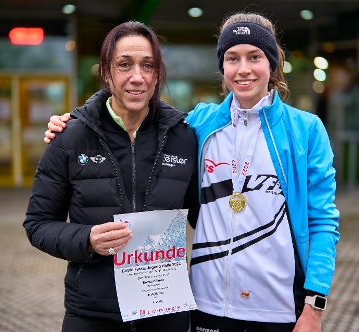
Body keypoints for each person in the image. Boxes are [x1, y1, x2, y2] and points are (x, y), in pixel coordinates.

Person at [45, 12, 340, 332]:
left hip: (278, 309)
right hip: (208, 305)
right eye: (232, 58)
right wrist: (77, 121)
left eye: (254, 57)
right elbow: (137, 115)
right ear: (223, 67)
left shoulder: (306, 130)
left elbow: (323, 221)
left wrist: (314, 305)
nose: (243, 69)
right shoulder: (198, 125)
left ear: (272, 63)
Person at [24, 21, 199, 332]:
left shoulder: (184, 137)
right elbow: (37, 224)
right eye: (124, 65)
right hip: (93, 313)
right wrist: (86, 239)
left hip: (164, 312)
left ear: (157, 73)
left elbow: (207, 218)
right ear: (106, 72)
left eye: (148, 65)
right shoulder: (69, 137)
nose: (137, 77)